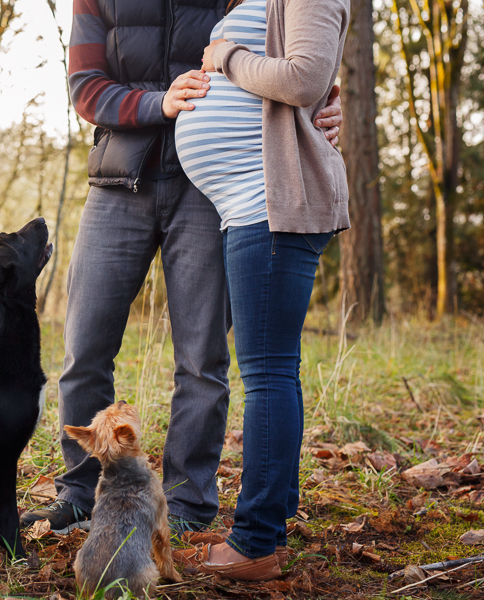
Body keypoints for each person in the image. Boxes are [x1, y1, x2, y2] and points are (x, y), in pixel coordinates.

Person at [20, 0, 343, 538]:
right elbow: (84, 87)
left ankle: (187, 505)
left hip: (210, 191)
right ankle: (79, 495)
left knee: (203, 360)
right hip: (118, 183)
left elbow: (296, 51)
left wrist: (329, 104)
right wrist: (157, 103)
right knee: (85, 349)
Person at [173, 0, 350, 581]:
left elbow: (302, 79)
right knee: (272, 371)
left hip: (270, 205)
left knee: (268, 373)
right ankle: (270, 520)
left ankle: (255, 542)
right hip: (248, 207)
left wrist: (226, 56)